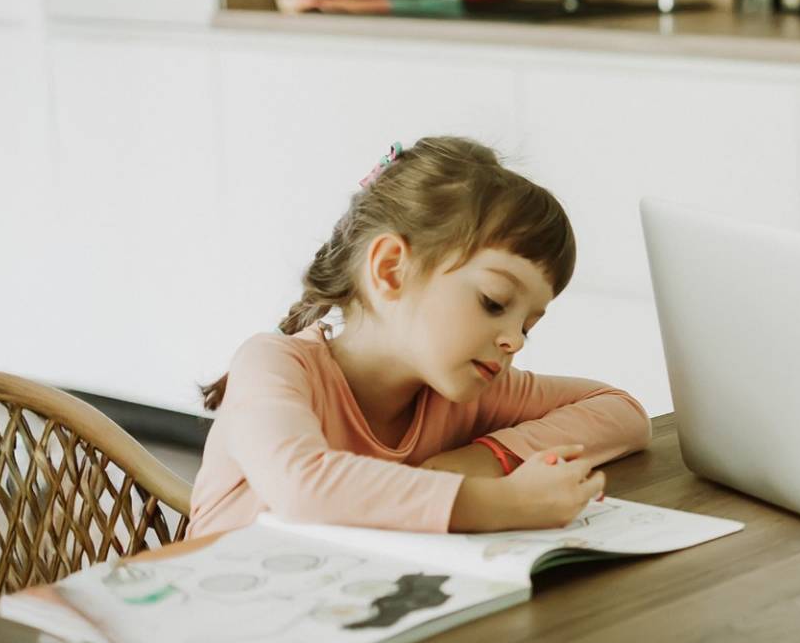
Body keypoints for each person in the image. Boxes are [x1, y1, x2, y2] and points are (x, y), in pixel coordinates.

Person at [189, 135, 650, 537]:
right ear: (390, 269)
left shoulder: (467, 391)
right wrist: (508, 503)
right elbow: (301, 487)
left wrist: (489, 457)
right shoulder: (273, 364)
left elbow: (622, 412)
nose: (516, 341)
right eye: (493, 302)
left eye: (529, 324)